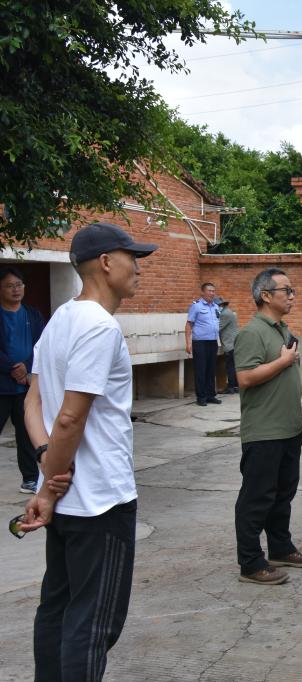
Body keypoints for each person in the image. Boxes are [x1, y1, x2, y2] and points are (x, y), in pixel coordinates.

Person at [18, 221, 156, 681]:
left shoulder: (61, 317)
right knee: (93, 623)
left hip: (67, 497)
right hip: (100, 500)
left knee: (57, 608)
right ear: (106, 262)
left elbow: (33, 401)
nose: (138, 268)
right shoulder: (99, 328)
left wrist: (45, 464)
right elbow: (69, 418)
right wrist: (48, 489)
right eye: (133, 258)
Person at [232, 268, 302, 585]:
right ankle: (251, 562)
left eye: (292, 291)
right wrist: (282, 362)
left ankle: (281, 547)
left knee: (283, 493)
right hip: (264, 431)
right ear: (266, 296)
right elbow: (245, 377)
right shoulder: (252, 333)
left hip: (289, 428)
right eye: (287, 290)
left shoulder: (281, 329)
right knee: (257, 498)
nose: (292, 296)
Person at [0, 266, 45, 494]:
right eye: (9, 286)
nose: (15, 289)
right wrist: (11, 368)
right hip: (2, 386)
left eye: (19, 285)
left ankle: (30, 479)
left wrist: (26, 366)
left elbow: (42, 344)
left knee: (27, 434)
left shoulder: (32, 314)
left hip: (25, 387)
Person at [185, 282, 220, 406]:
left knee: (211, 369)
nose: (212, 293)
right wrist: (188, 343)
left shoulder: (216, 307)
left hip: (213, 341)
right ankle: (201, 397)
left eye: (213, 291)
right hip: (200, 342)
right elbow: (189, 324)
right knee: (201, 369)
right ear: (202, 292)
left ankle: (210, 395)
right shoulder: (196, 306)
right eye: (209, 291)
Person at [217, 296, 239, 394]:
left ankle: (231, 387)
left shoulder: (224, 314)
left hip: (230, 344)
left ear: (221, 305)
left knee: (230, 366)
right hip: (233, 343)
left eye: (217, 305)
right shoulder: (228, 312)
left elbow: (218, 328)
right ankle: (236, 386)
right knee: (233, 366)